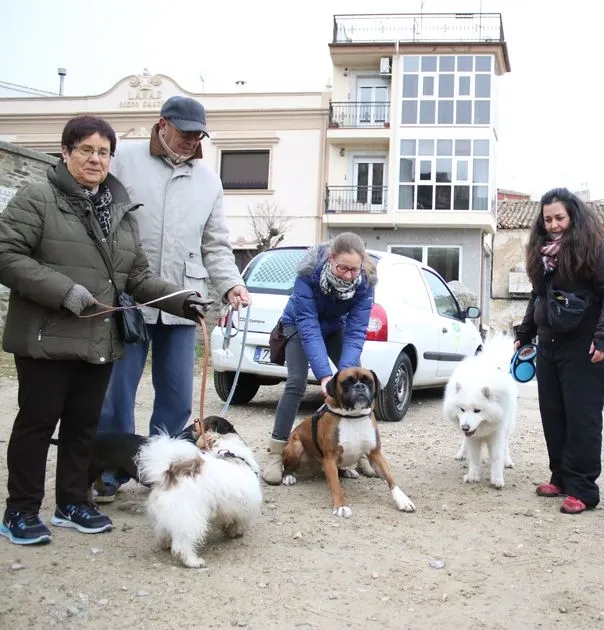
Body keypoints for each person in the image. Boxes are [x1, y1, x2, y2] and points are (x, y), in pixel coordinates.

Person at [0, 115, 212, 545]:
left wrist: (181, 300)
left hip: (99, 339)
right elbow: (6, 255)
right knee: (37, 425)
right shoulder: (36, 199)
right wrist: (63, 291)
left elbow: (136, 277)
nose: (95, 159)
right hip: (47, 338)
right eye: (86, 150)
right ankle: (20, 510)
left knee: (83, 428)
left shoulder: (120, 213)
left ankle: (72, 502)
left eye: (103, 152)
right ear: (65, 152)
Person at [94, 96, 249, 502]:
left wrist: (231, 283)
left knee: (177, 397)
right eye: (184, 133)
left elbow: (215, 244)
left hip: (183, 302)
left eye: (198, 135)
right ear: (162, 125)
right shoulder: (122, 160)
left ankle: (164, 474)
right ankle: (110, 472)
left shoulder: (209, 180)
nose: (191, 141)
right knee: (116, 392)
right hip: (128, 298)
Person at [513, 188, 604, 514]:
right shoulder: (543, 253)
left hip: (586, 346)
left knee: (582, 419)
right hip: (549, 345)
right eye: (547, 219)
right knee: (554, 416)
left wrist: (603, 338)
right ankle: (560, 477)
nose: (554, 224)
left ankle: (584, 490)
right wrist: (525, 333)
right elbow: (539, 297)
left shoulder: (597, 247)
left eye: (559, 217)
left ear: (573, 216)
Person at [261, 232, 377, 485]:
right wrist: (325, 375)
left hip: (336, 326)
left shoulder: (366, 281)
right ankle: (277, 453)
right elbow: (308, 324)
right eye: (342, 268)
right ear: (330, 257)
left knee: (357, 377)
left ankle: (361, 452)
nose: (348, 275)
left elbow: (357, 329)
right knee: (296, 383)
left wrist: (343, 375)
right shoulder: (308, 273)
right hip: (298, 324)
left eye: (353, 270)